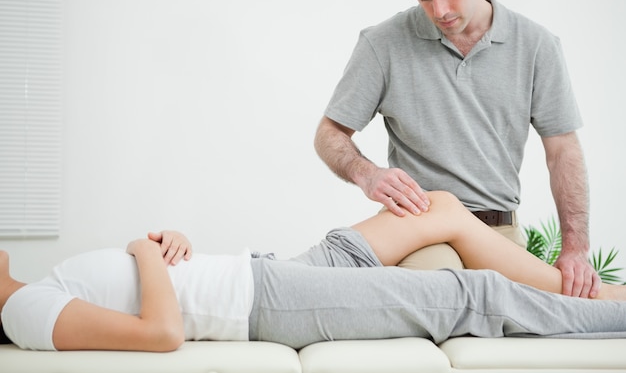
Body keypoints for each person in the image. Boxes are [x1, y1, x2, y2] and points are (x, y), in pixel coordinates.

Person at [313, 0, 598, 297]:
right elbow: (330, 132)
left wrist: (576, 248)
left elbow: (563, 152)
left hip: (498, 231)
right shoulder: (382, 44)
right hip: (420, 224)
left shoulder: (538, 46)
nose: (439, 12)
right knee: (438, 296)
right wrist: (366, 174)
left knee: (528, 315)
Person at [2, 191, 626, 352]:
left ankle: (605, 291)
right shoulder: (22, 313)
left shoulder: (38, 288)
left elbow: (161, 293)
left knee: (438, 209)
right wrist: (141, 248)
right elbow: (161, 332)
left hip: (266, 273)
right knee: (473, 294)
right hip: (266, 305)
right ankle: (614, 314)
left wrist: (174, 244)